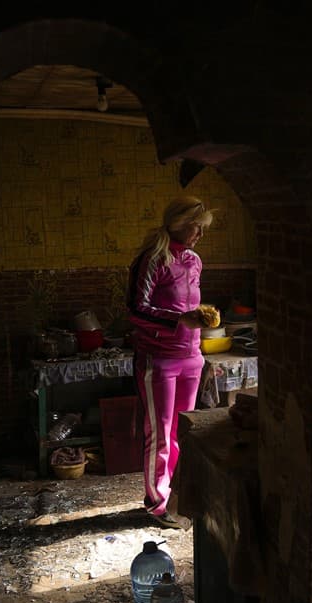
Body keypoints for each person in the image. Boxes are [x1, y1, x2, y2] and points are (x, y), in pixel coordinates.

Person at [127, 196, 214, 528]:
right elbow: (137, 309)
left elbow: (190, 307)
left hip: (191, 357)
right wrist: (178, 320)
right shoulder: (152, 259)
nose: (200, 235)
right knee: (160, 434)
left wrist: (198, 321)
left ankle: (179, 497)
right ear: (180, 223)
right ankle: (157, 503)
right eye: (197, 227)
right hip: (158, 359)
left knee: (183, 431)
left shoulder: (194, 260)